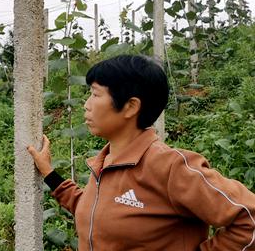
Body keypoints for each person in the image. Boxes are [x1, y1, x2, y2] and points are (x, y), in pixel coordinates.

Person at [27, 55, 255, 250]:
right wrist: (49, 172)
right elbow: (92, 209)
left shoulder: (170, 167)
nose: (86, 105)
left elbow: (249, 218)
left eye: (95, 95)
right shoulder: (107, 161)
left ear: (130, 107)